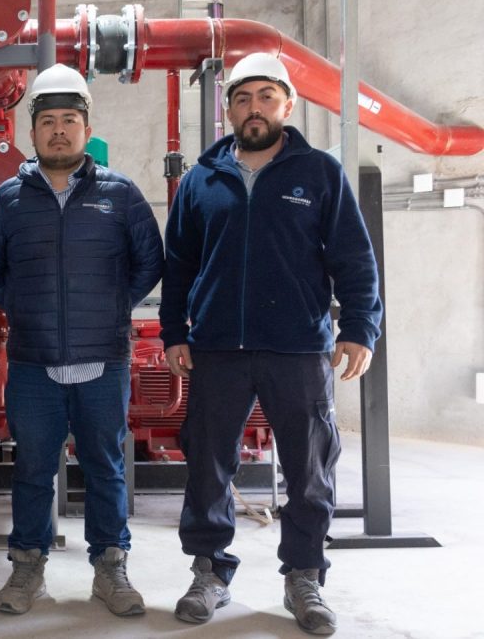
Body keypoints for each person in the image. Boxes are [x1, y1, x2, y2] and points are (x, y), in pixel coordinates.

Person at [159, 52, 382, 636]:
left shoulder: (320, 173)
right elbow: (178, 265)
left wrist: (360, 327)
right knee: (207, 463)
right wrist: (174, 331)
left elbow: (354, 259)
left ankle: (304, 576)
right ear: (228, 110)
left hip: (298, 347)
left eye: (265, 97)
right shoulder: (201, 180)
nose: (253, 108)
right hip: (217, 349)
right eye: (242, 98)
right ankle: (209, 571)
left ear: (288, 104)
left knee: (309, 468)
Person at [0, 63, 165, 617]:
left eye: (69, 121)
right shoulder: (9, 199)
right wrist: (27, 307)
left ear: (87, 129)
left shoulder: (120, 195)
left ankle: (110, 567)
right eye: (48, 121)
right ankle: (27, 567)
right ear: (32, 132)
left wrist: (108, 306)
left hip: (103, 361)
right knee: (33, 469)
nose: (59, 131)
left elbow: (149, 262)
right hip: (34, 363)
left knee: (105, 468)